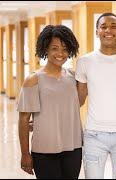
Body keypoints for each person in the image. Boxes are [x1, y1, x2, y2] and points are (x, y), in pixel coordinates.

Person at [75, 13, 116, 179]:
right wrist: (46, 117)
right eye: (103, 27)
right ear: (97, 31)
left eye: (113, 26)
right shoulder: (85, 61)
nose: (108, 30)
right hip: (93, 135)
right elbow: (78, 100)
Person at [17, 25, 82, 179]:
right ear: (45, 49)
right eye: (55, 48)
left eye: (65, 49)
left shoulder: (74, 77)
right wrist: (25, 154)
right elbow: (24, 119)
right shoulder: (33, 79)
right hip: (44, 150)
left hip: (73, 148)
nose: (60, 53)